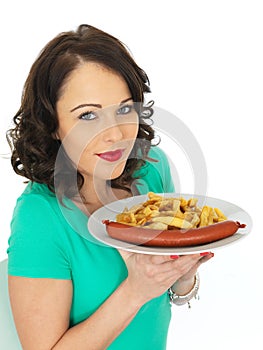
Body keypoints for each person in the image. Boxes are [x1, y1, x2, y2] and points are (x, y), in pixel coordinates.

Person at [6, 24, 214, 349]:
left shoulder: (152, 170)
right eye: (88, 116)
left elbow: (169, 297)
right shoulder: (39, 217)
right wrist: (135, 291)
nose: (116, 134)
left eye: (123, 108)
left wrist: (183, 274)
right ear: (52, 125)